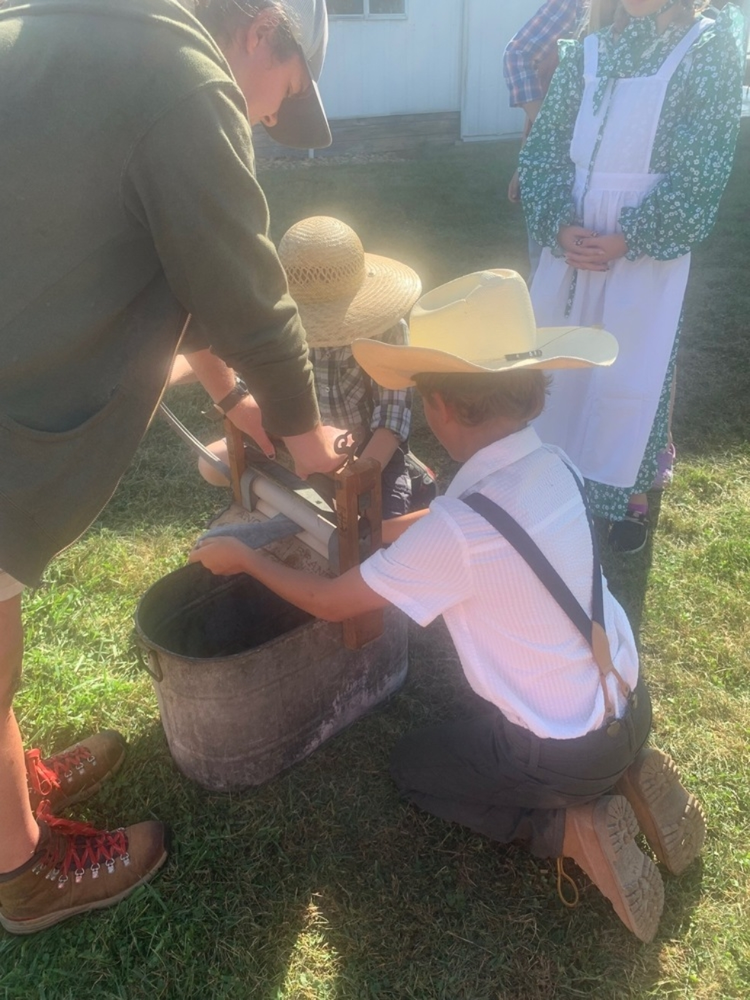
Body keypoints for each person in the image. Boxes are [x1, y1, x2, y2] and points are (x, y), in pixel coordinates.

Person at [190, 269, 706, 942]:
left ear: (438, 407)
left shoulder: (458, 534)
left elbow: (331, 602)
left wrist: (244, 557)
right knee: (543, 726)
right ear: (530, 387)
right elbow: (459, 523)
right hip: (628, 704)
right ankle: (627, 768)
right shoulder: (553, 465)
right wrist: (380, 533)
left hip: (559, 752)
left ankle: (568, 826)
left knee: (415, 769)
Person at [0, 0, 350, 935]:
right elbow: (243, 288)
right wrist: (310, 441)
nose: (272, 117)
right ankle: (21, 867)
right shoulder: (181, 75)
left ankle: (8, 793)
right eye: (286, 93)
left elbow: (160, 266)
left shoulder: (88, 36)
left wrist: (234, 404)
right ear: (263, 31)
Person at [518, 0, 745, 552]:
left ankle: (619, 493)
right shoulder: (588, 48)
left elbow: (703, 162)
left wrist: (633, 235)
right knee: (558, 363)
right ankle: (552, 481)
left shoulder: (707, 48)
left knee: (630, 371)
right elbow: (546, 148)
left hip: (642, 248)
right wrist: (559, 223)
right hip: (574, 238)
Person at [194, 216, 437, 516]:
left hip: (362, 448)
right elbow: (252, 383)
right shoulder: (276, 328)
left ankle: (409, 475)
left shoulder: (388, 329)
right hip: (295, 437)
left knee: (382, 524)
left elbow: (391, 418)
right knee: (211, 463)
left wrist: (354, 474)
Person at [503, 0, 588, 280]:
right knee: (547, 268)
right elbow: (517, 56)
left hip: (604, 167)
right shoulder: (575, 4)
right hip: (558, 164)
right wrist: (540, 142)